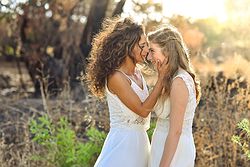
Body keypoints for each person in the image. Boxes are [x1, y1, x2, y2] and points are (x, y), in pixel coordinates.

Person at [85, 16, 168, 167]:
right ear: (128, 46)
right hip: (122, 148)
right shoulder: (115, 77)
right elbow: (143, 110)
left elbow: (151, 104)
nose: (146, 51)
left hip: (141, 145)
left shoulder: (137, 73)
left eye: (146, 46)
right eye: (142, 46)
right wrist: (161, 79)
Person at [147, 25, 201, 167]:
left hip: (173, 152)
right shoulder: (171, 78)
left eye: (152, 51)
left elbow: (176, 131)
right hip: (163, 145)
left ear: (167, 51)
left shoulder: (179, 82)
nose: (149, 56)